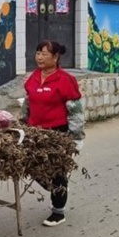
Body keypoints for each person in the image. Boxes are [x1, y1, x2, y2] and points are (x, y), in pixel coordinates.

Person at [23, 41, 83, 227]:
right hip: (35, 132)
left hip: (57, 133)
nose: (39, 57)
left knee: (57, 172)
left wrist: (76, 137)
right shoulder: (33, 77)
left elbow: (75, 111)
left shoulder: (65, 80)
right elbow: (28, 103)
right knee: (30, 166)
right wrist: (21, 123)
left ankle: (58, 211)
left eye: (44, 54)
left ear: (55, 57)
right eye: (38, 53)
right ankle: (56, 190)